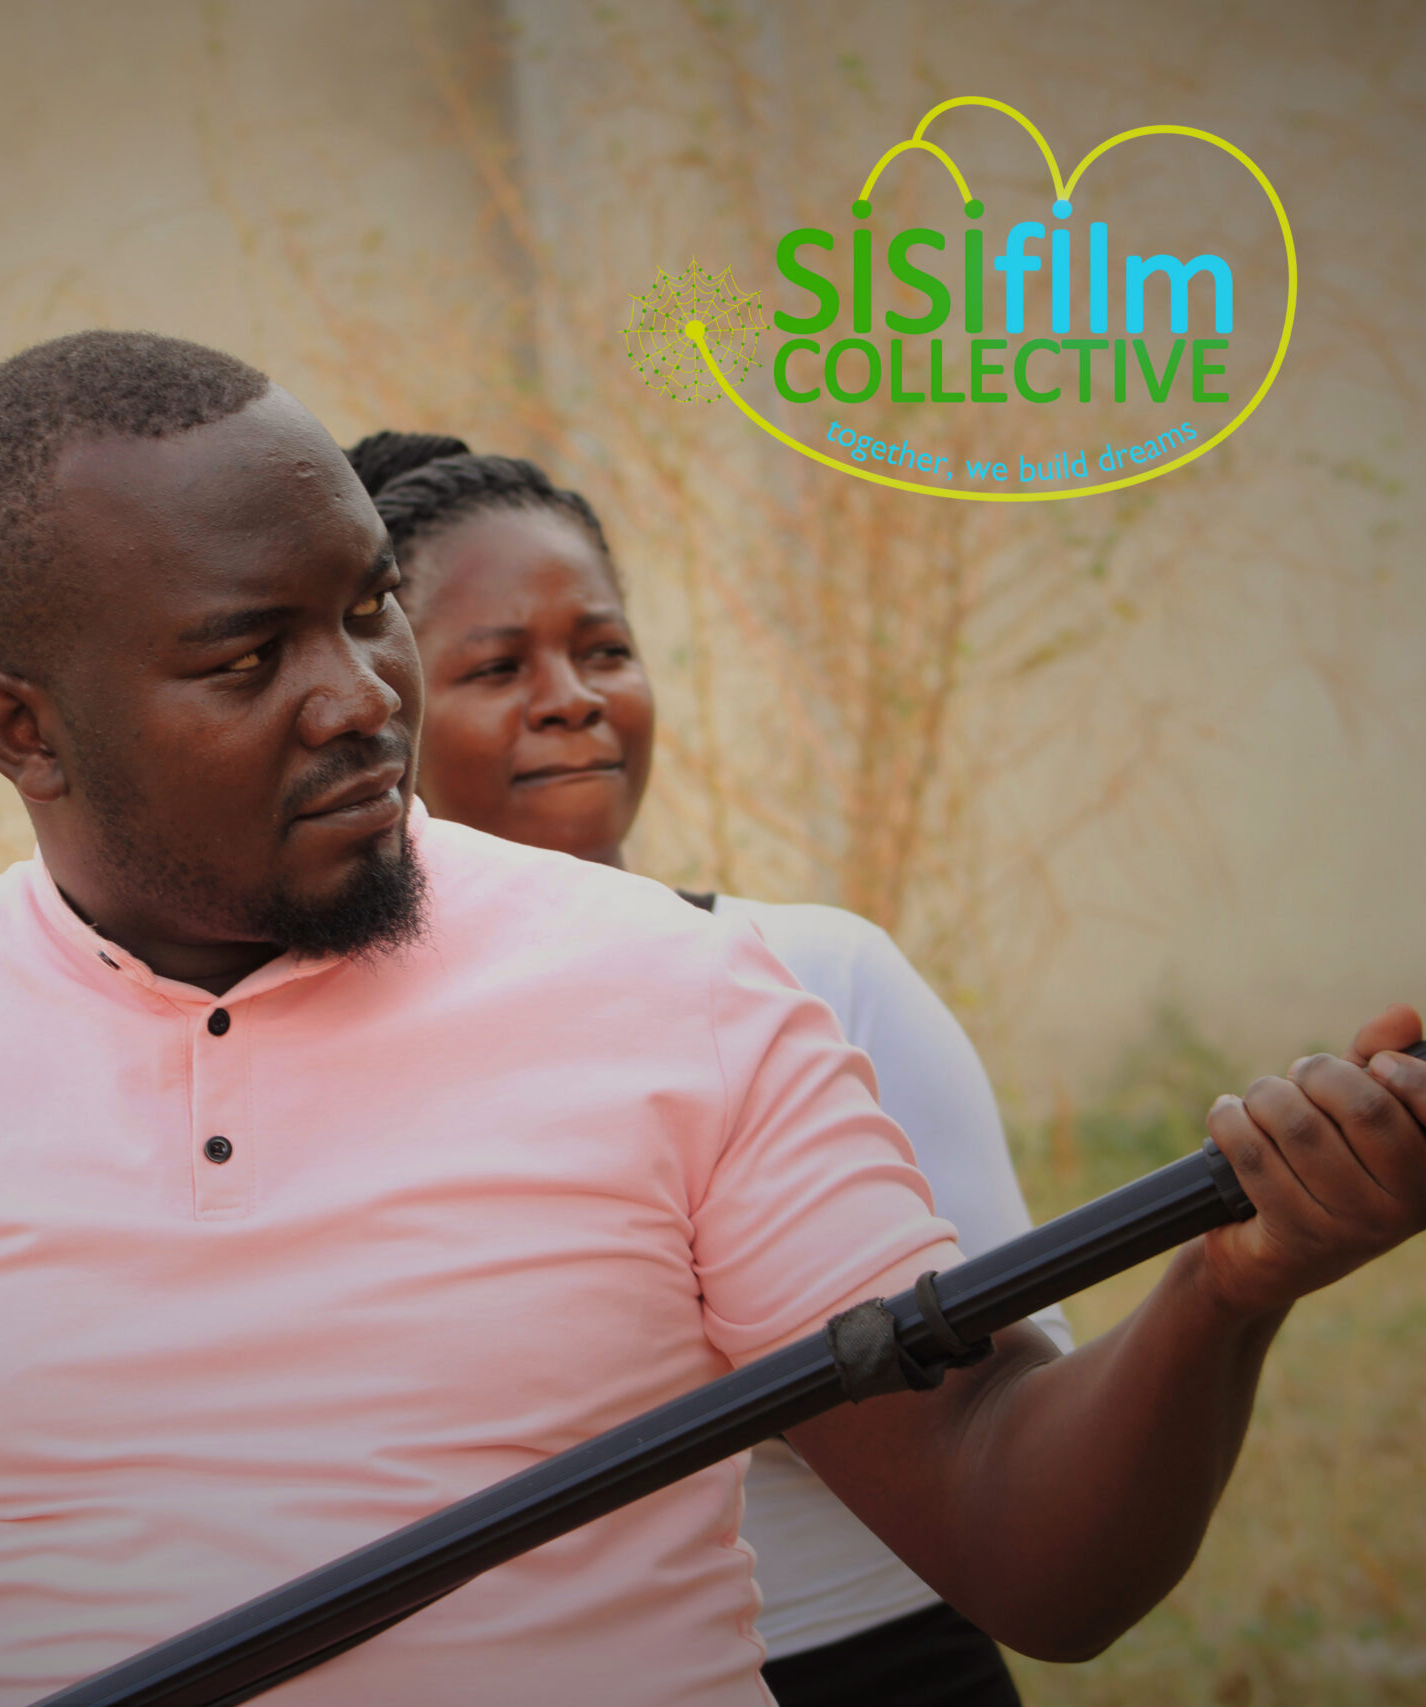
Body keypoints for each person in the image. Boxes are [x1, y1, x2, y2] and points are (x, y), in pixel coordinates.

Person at [0, 330, 1426, 1707]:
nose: (360, 694)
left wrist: (1226, 1291)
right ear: (20, 730)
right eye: (249, 655)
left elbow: (1034, 1554)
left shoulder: (679, 996)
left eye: (364, 603)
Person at [346, 431, 1060, 1703]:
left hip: (868, 1663)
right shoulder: (315, 1051)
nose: (569, 696)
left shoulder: (813, 974)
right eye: (497, 665)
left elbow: (1019, 1417)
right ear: (378, 709)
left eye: (603, 650)